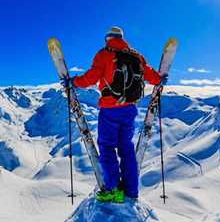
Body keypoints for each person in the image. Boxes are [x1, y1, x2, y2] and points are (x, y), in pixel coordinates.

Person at [62, 26, 165, 203]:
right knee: (126, 147)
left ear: (107, 39)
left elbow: (91, 77)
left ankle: (112, 189)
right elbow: (153, 77)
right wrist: (161, 79)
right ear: (121, 38)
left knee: (107, 146)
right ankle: (131, 191)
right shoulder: (136, 56)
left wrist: (73, 82)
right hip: (130, 109)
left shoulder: (104, 54)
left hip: (110, 109)